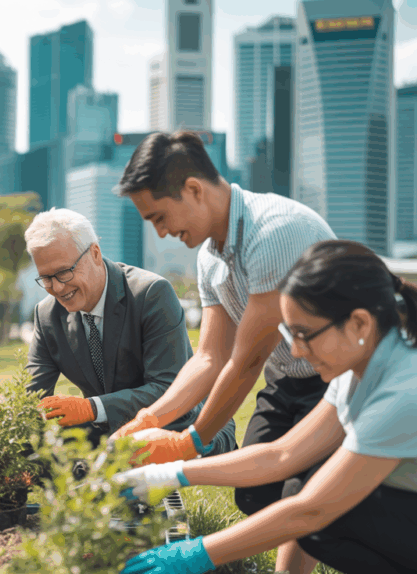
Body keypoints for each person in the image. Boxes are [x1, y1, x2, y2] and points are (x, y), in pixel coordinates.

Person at [115, 240, 417, 574]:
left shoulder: (403, 392)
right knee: (306, 491)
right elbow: (282, 455)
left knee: (322, 516)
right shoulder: (360, 368)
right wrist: (167, 473)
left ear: (359, 323)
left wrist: (197, 554)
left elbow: (310, 511)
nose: (297, 352)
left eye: (304, 333)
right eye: (290, 334)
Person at [109, 131, 336, 572]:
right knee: (255, 493)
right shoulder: (210, 258)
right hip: (289, 378)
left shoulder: (274, 232)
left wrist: (189, 442)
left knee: (302, 494)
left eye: (159, 217)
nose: (162, 233)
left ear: (193, 189)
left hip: (338, 380)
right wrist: (149, 419)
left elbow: (247, 359)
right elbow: (210, 357)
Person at [24, 208, 235, 455]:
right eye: (46, 278)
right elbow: (31, 397)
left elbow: (168, 387)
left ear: (94, 253)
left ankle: (161, 485)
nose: (57, 288)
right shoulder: (46, 315)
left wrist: (91, 408)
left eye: (63, 272)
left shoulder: (151, 293)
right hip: (109, 429)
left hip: (180, 421)